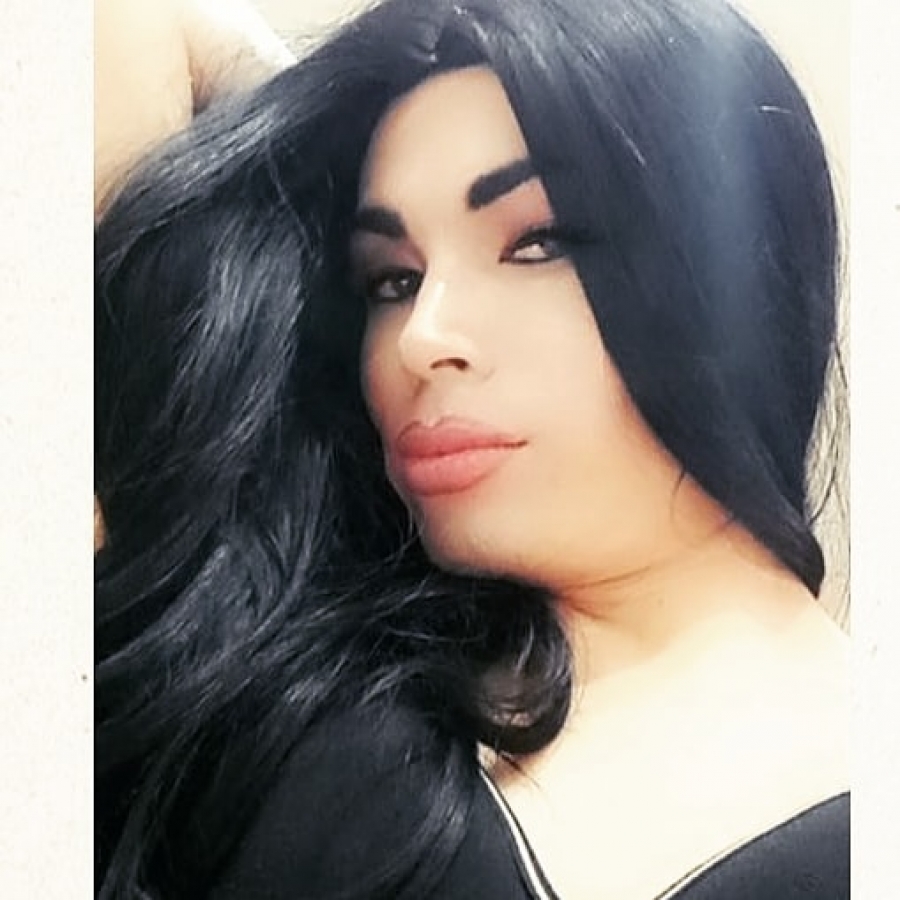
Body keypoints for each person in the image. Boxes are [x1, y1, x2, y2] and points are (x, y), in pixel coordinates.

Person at [94, 0, 849, 897]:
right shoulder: (274, 659)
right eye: (391, 279)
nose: (421, 336)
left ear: (742, 273)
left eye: (535, 242)